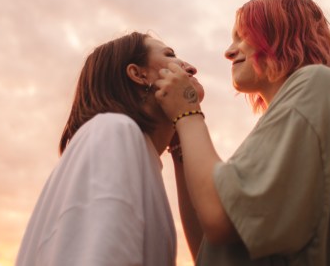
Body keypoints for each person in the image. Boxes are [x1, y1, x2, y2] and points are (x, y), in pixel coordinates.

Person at [155, 0, 330, 266]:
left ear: (280, 35)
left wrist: (188, 111)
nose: (228, 52)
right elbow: (209, 244)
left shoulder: (315, 84)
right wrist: (181, 144)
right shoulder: (302, 107)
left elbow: (220, 218)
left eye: (242, 36)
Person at [15, 32, 203, 266]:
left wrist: (183, 134)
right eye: (170, 55)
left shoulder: (135, 150)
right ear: (138, 74)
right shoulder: (114, 131)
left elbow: (211, 254)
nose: (191, 67)